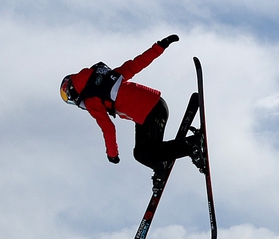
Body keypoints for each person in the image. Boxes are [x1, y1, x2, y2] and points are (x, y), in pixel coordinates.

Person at [60, 35, 202, 187]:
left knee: (144, 153)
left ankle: (190, 145)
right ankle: (162, 165)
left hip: (149, 113)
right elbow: (136, 64)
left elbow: (108, 128)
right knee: (145, 152)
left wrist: (112, 155)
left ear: (73, 92)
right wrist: (159, 46)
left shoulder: (91, 100)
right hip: (155, 106)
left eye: (66, 96)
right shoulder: (107, 78)